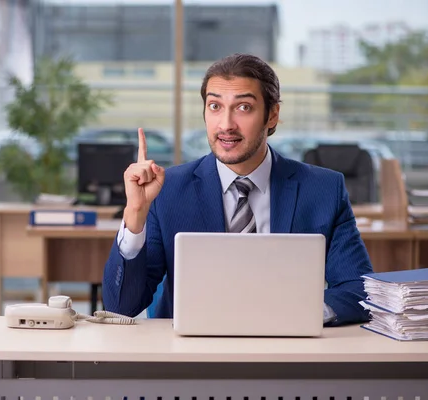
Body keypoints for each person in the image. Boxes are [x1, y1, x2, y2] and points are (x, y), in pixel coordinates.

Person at [102, 53, 373, 326]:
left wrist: (300, 315)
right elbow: (121, 307)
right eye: (215, 106)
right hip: (190, 358)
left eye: (244, 107)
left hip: (288, 354)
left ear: (272, 115)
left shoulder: (323, 190)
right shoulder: (169, 190)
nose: (226, 125)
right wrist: (135, 213)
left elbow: (359, 290)